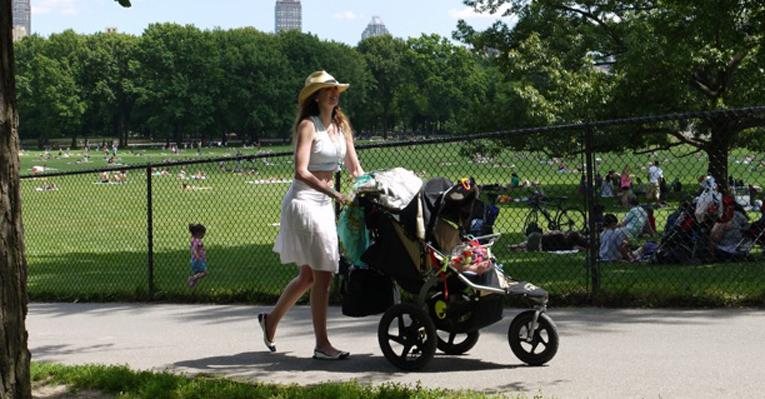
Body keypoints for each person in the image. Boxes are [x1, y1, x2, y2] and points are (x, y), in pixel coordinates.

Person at [260, 70, 364, 361]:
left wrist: (371, 184)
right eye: (327, 89)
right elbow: (300, 170)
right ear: (316, 96)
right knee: (323, 274)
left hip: (324, 203)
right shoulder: (309, 126)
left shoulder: (341, 126)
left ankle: (270, 321)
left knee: (307, 276)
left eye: (336, 89)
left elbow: (355, 167)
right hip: (305, 202)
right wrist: (333, 194)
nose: (334, 93)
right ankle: (322, 345)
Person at [187, 224, 208, 288]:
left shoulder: (193, 239)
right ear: (198, 233)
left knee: (197, 274)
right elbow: (194, 249)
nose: (203, 235)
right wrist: (198, 257)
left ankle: (192, 286)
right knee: (205, 273)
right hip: (198, 260)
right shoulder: (197, 240)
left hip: (195, 260)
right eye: (203, 234)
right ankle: (191, 278)